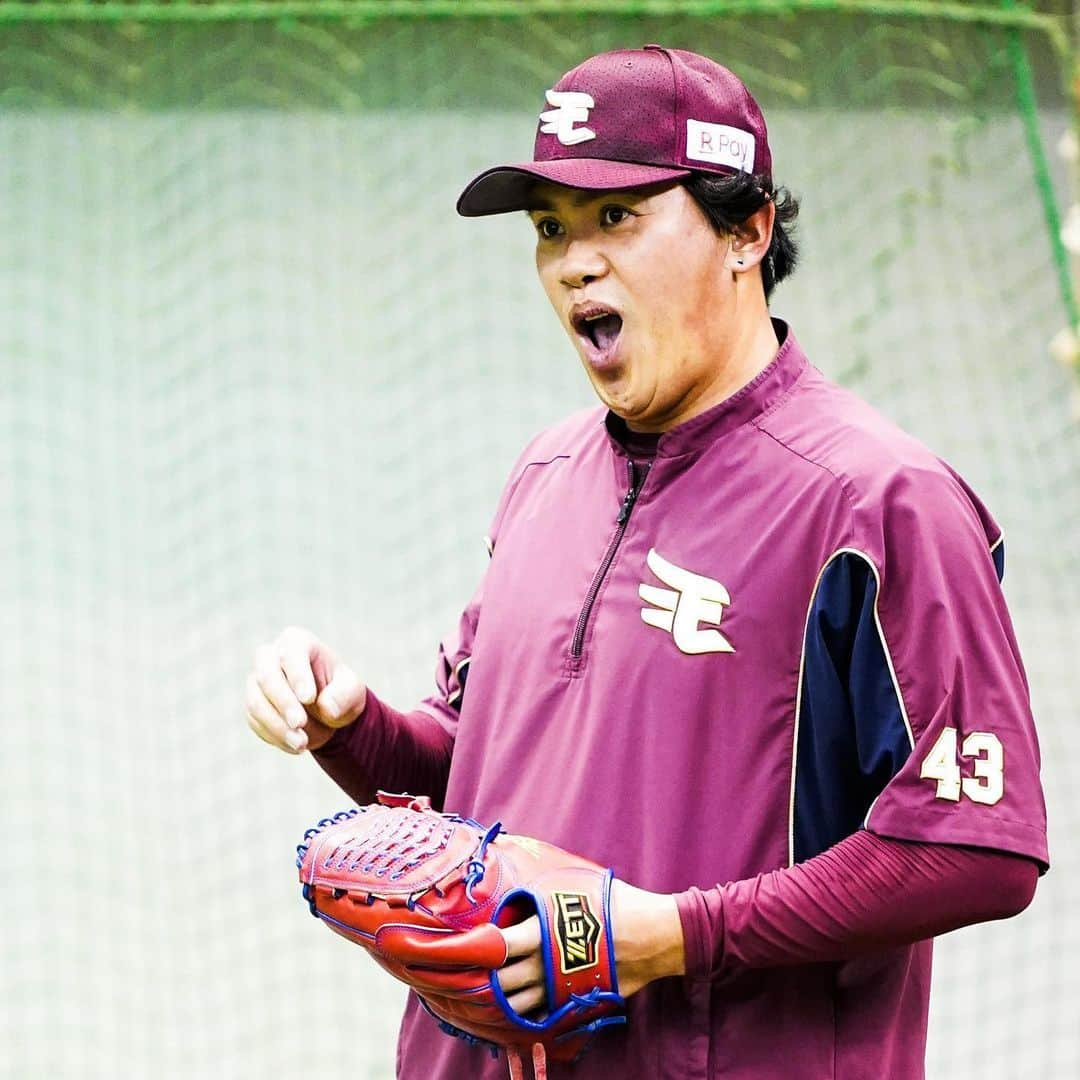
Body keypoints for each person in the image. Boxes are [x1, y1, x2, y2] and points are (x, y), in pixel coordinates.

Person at [246, 45, 1048, 1080]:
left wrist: (675, 934)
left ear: (746, 231)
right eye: (549, 228)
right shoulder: (543, 474)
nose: (574, 261)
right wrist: (350, 723)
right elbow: (472, 780)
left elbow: (974, 846)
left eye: (616, 217)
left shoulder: (878, 501)